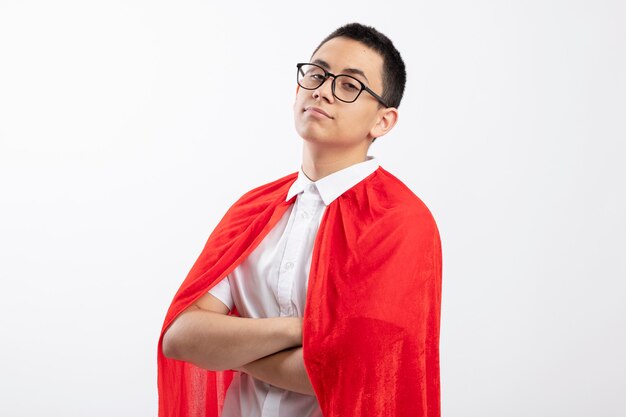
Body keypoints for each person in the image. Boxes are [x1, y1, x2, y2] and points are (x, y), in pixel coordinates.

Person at [158, 22, 442, 417]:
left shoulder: (399, 221)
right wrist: (301, 331)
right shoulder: (253, 210)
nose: (323, 90)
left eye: (349, 86)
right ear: (298, 90)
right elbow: (181, 338)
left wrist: (229, 352)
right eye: (317, 74)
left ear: (383, 121)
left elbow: (350, 371)